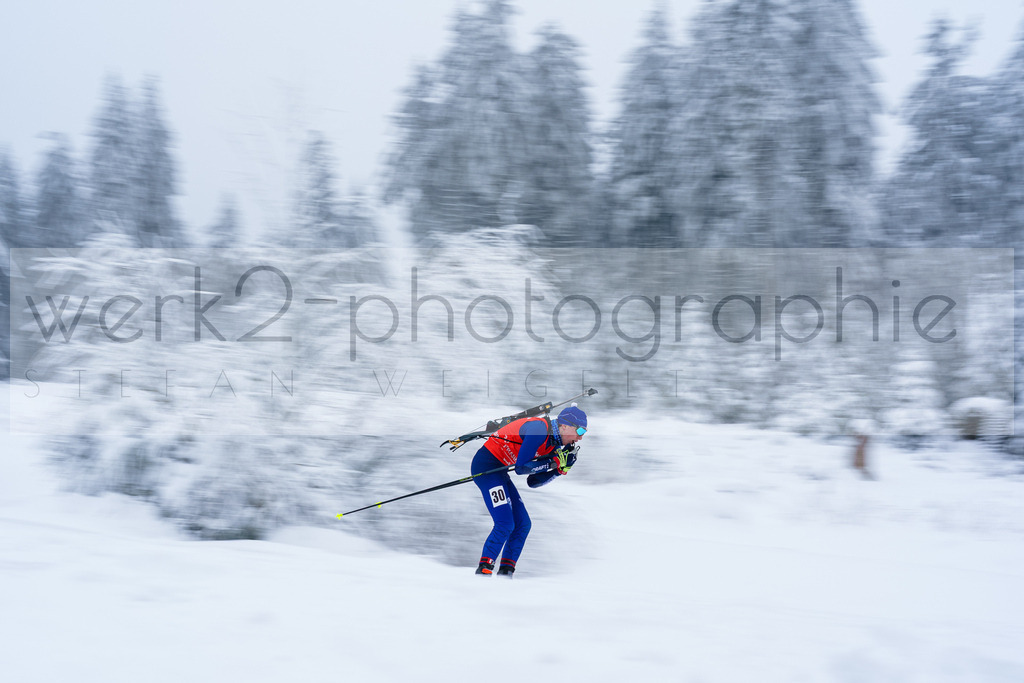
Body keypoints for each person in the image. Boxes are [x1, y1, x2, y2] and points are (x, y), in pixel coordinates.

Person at [471, 405, 587, 577]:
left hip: (499, 471)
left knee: (523, 524)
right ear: (564, 425)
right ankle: (484, 572)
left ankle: (505, 574)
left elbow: (533, 481)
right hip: (486, 467)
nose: (580, 437)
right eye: (579, 430)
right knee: (505, 524)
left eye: (584, 432)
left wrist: (559, 470)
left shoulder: (552, 446)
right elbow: (521, 467)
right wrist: (554, 463)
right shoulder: (539, 429)